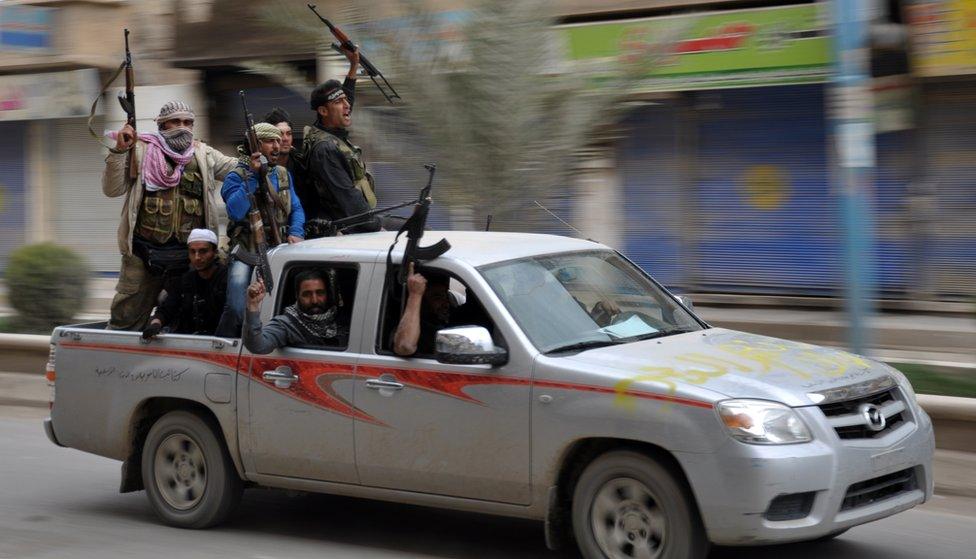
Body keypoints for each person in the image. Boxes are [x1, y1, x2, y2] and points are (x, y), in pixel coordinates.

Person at [104, 101, 237, 331]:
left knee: (182, 316)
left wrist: (261, 157)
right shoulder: (140, 150)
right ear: (162, 124)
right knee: (127, 316)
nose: (183, 127)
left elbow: (237, 169)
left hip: (188, 256)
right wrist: (119, 151)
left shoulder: (203, 154)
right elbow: (112, 189)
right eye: (176, 121)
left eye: (188, 122)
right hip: (142, 253)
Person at [218, 122, 305, 337]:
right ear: (254, 145)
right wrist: (254, 177)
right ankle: (224, 343)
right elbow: (236, 211)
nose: (277, 146)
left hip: (279, 248)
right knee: (237, 306)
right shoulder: (236, 176)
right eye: (269, 141)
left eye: (278, 141)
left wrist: (296, 232)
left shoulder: (283, 174)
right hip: (247, 250)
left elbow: (296, 207)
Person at [296, 47, 382, 236]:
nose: (347, 106)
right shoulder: (325, 149)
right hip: (348, 227)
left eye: (346, 101)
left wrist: (353, 66)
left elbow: (345, 98)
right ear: (323, 111)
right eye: (339, 103)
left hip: (358, 220)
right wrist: (376, 226)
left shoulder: (330, 130)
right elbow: (348, 197)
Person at [141, 229, 227, 338]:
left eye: (203, 251)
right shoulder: (185, 280)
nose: (197, 257)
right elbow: (166, 309)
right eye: (192, 252)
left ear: (214, 252)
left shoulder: (226, 279)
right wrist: (155, 324)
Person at [243, 270, 348, 354]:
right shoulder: (287, 324)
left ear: (328, 294)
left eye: (320, 293)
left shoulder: (343, 319)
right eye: (307, 294)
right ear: (297, 296)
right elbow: (258, 346)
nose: (314, 300)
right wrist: (252, 305)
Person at [392, 266, 485, 357]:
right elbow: (404, 347)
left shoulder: (451, 313)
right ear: (422, 302)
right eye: (437, 297)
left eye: (445, 296)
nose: (445, 303)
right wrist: (415, 295)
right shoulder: (410, 330)